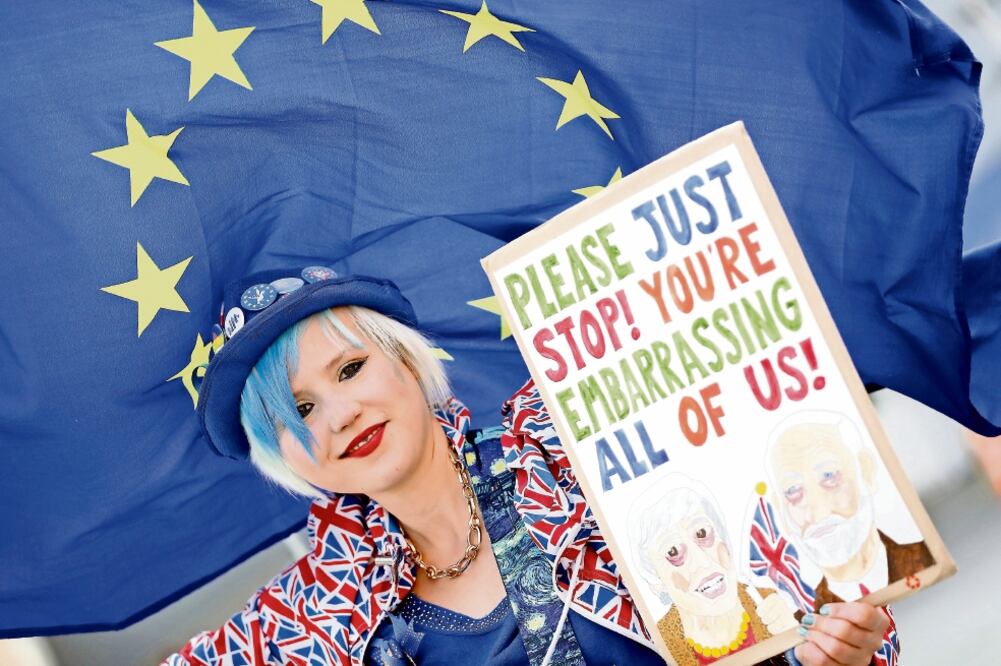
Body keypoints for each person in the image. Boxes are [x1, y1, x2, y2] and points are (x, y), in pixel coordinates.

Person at [165, 265, 891, 666]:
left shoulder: (576, 443)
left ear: (406, 361)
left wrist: (835, 657)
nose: (338, 415)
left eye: (350, 369)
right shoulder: (303, 628)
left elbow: (790, 581)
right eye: (298, 412)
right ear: (284, 457)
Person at [764, 411, 935, 609]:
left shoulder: (927, 561)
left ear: (866, 473)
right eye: (792, 490)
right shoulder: (804, 617)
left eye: (829, 475)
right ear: (780, 510)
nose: (818, 511)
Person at [628, 477, 797, 665]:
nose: (703, 562)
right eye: (672, 551)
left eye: (702, 533)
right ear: (656, 583)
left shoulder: (778, 604)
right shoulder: (655, 650)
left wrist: (797, 644)